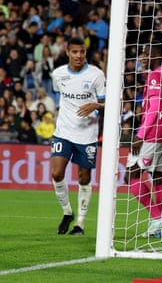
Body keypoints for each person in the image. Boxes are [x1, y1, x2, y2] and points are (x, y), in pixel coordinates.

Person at [50, 37, 106, 236]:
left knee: (84, 178)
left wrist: (96, 106)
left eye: (82, 52)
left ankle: (80, 224)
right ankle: (67, 212)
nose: (79, 56)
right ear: (67, 53)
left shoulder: (96, 75)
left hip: (87, 134)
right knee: (56, 173)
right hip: (63, 131)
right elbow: (60, 95)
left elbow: (107, 103)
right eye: (75, 52)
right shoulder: (58, 74)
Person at [124, 42, 162, 238]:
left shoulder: (155, 75)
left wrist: (139, 136)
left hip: (152, 133)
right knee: (159, 176)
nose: (142, 57)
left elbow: (154, 108)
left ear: (156, 54)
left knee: (131, 175)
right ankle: (159, 226)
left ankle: (157, 218)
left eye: (146, 53)